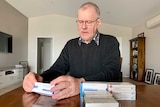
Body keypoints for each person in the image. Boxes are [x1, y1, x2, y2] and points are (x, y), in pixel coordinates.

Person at [23, 2, 121, 100]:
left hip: (102, 97)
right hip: (73, 97)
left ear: (98, 22)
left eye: (88, 22)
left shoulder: (110, 42)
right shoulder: (70, 45)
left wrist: (81, 83)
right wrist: (40, 78)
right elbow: (57, 69)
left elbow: (113, 72)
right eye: (80, 22)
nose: (83, 27)